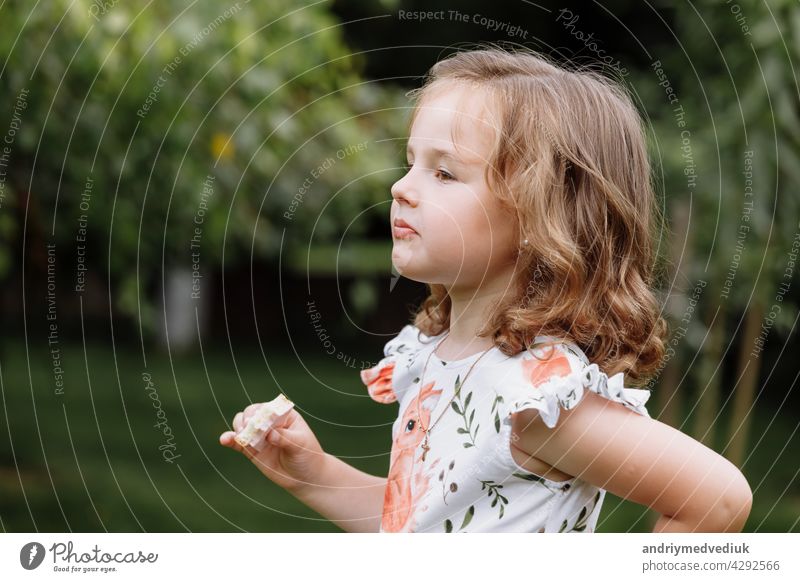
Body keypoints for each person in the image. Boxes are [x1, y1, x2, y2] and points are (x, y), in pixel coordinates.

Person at [220, 45, 753, 533]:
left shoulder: (537, 402)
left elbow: (717, 501)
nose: (401, 188)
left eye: (445, 174)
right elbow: (424, 527)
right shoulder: (435, 358)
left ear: (540, 216)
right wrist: (312, 474)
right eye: (411, 164)